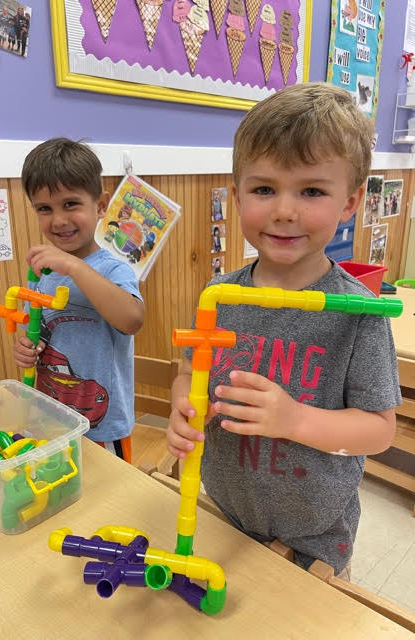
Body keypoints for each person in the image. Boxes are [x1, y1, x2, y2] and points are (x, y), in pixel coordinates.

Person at [167, 82, 401, 579]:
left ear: (350, 202)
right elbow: (189, 373)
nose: (284, 211)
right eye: (264, 189)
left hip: (315, 539)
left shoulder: (359, 312)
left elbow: (380, 430)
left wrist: (294, 419)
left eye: (311, 191)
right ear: (236, 196)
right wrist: (184, 406)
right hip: (225, 513)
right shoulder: (219, 295)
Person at [13, 138, 144, 462]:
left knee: (110, 492)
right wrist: (26, 347)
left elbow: (132, 320)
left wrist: (74, 267)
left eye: (70, 204)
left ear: (100, 205)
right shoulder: (42, 273)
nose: (58, 220)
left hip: (102, 428)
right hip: (51, 419)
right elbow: (35, 331)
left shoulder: (113, 269)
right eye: (44, 208)